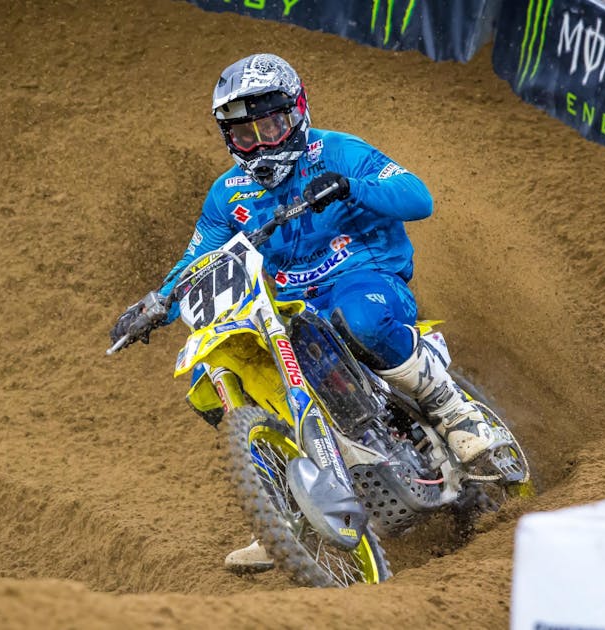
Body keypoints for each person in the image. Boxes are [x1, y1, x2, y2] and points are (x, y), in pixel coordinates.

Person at [110, 53, 495, 572]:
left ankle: (451, 409)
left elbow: (418, 198)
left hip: (362, 278)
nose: (262, 144)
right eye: (245, 135)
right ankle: (281, 506)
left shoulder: (338, 151)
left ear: (296, 113)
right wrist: (157, 302)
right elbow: (198, 259)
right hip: (288, 307)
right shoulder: (227, 195)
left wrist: (351, 186)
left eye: (270, 126)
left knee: (358, 320)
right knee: (212, 378)